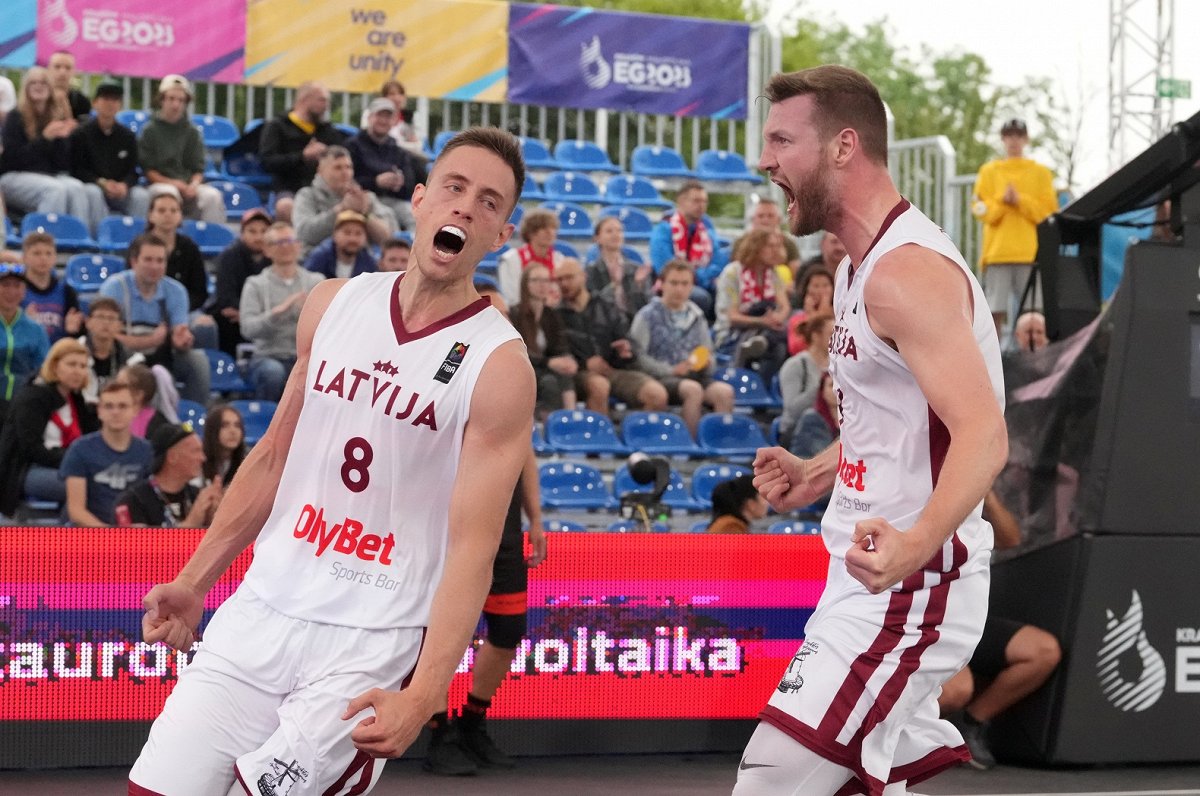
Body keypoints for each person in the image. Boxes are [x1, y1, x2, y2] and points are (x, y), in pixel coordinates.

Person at [129, 127, 535, 794]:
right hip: (265, 606)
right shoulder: (332, 304)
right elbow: (272, 456)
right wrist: (197, 579)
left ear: (503, 233)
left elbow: (473, 545)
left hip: (371, 638)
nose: (466, 207)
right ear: (422, 199)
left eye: (489, 202)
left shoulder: (500, 365)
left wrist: (428, 691)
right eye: (455, 189)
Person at [740, 65, 1007, 796]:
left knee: (769, 778)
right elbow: (897, 424)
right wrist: (815, 472)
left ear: (842, 147)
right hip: (868, 578)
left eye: (781, 140)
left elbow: (984, 436)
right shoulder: (859, 268)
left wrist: (916, 544)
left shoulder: (904, 274)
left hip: (910, 585)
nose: (765, 160)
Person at [425, 448, 546, 776]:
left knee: (509, 629)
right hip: (445, 531)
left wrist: (535, 518)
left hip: (503, 532)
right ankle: (440, 733)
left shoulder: (510, 397)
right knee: (439, 632)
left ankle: (471, 723)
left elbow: (524, 453)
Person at [935, 490, 1061, 771]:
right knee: (957, 689)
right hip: (932, 618)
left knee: (1043, 651)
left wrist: (986, 494)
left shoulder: (975, 490)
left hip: (972, 618)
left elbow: (1011, 539)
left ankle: (970, 724)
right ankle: (889, 737)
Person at [98, 233, 211, 404]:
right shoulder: (114, 288)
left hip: (162, 355)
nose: (155, 266)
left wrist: (181, 340)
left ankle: (195, 417)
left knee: (198, 360)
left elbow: (177, 333)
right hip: (122, 356)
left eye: (160, 261)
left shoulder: (176, 291)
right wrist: (150, 341)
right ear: (134, 261)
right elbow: (105, 337)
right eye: (148, 260)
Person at [972, 118, 1057, 340]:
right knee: (993, 311)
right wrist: (1003, 201)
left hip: (1029, 252)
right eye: (1009, 135)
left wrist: (1020, 200)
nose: (1013, 140)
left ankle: (1033, 359)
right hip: (997, 253)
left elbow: (1048, 213)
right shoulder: (989, 171)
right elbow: (979, 209)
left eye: (1018, 135)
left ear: (1026, 139)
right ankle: (994, 361)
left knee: (1033, 312)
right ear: (1002, 139)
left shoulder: (1040, 173)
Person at [628, 260, 734, 436]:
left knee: (724, 392)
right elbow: (638, 357)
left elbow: (708, 352)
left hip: (695, 374)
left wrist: (707, 363)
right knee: (693, 390)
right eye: (674, 283)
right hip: (661, 377)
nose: (679, 289)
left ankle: (718, 446)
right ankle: (689, 443)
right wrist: (671, 370)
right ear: (662, 284)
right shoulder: (647, 315)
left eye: (685, 284)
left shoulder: (697, 316)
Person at [555, 257, 667, 416]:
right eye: (559, 279)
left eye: (569, 277)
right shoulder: (554, 313)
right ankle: (598, 439)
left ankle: (632, 437)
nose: (564, 284)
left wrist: (626, 351)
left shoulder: (606, 306)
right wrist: (584, 364)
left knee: (656, 394)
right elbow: (555, 351)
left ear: (583, 276)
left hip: (611, 368)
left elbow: (627, 340)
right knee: (599, 386)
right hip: (577, 374)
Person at [0, 337, 97, 515]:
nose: (78, 371)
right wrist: (75, 461)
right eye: (72, 364)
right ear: (54, 365)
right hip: (29, 469)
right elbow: (31, 448)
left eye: (83, 366)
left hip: (67, 466)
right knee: (85, 487)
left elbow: (90, 438)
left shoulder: (76, 399)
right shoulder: (32, 398)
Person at [0, 67, 96, 228]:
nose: (38, 86)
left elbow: (61, 165)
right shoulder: (15, 117)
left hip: (47, 175)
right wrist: (45, 138)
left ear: (50, 88)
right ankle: (45, 240)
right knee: (54, 190)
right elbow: (12, 160)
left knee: (77, 188)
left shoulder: (54, 117)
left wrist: (64, 140)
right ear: (26, 88)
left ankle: (79, 240)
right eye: (33, 83)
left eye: (43, 83)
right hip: (12, 177)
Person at [241, 221, 325, 401]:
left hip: (306, 357)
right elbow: (247, 329)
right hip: (268, 356)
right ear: (267, 250)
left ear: (299, 245)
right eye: (278, 243)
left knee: (323, 374)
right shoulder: (255, 284)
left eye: (290, 241)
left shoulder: (316, 282)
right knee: (273, 372)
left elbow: (331, 325)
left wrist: (312, 316)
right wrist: (277, 313)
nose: (285, 247)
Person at [60, 379, 153, 526]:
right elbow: (76, 510)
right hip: (88, 536)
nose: (116, 412)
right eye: (109, 406)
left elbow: (151, 501)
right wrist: (110, 535)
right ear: (99, 411)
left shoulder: (147, 451)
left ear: (135, 410)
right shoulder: (80, 449)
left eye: (123, 406)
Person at [137, 74, 225, 224]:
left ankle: (212, 241)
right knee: (169, 195)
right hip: (159, 186)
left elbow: (198, 169)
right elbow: (149, 171)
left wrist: (194, 185)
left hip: (188, 185)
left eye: (181, 100)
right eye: (171, 98)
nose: (176, 104)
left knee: (212, 196)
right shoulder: (149, 131)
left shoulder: (192, 131)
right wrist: (173, 183)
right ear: (162, 100)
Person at [258, 81, 345, 223]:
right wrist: (302, 156)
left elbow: (343, 158)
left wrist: (327, 155)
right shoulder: (277, 126)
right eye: (322, 100)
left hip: (325, 190)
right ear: (304, 99)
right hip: (290, 188)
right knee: (285, 207)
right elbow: (267, 162)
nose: (326, 106)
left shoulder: (328, 131)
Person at [144, 185, 218, 350]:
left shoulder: (190, 247)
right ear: (150, 215)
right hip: (145, 309)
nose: (168, 215)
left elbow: (200, 292)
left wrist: (178, 310)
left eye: (173, 210)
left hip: (185, 310)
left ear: (180, 216)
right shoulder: (140, 246)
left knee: (205, 325)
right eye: (162, 210)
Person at [713, 228, 791, 382]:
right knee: (778, 344)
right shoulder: (732, 273)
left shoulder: (773, 273)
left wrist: (777, 319)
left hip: (766, 329)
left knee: (779, 345)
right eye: (770, 246)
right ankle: (763, 390)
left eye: (777, 246)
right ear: (756, 247)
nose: (776, 251)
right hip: (734, 332)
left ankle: (762, 387)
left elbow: (785, 306)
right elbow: (731, 317)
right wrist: (763, 321)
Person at [115, 422, 223, 527]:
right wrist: (191, 523)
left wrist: (212, 520)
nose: (203, 458)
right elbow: (135, 544)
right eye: (195, 451)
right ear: (172, 457)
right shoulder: (134, 501)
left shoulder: (196, 495)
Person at [71, 79, 150, 220]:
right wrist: (101, 182)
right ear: (95, 103)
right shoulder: (82, 133)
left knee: (141, 196)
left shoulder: (127, 136)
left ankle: (137, 238)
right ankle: (98, 237)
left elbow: (133, 170)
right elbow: (77, 168)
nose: (110, 103)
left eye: (114, 100)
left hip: (119, 189)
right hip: (93, 185)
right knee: (92, 193)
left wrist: (125, 185)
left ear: (120, 105)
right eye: (105, 99)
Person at [293, 146, 397, 252]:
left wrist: (365, 214)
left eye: (348, 167)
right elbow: (304, 233)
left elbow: (388, 239)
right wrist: (341, 210)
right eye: (338, 167)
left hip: (361, 260)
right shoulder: (307, 195)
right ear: (320, 171)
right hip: (316, 259)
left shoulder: (365, 197)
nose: (345, 172)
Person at [648, 179, 725, 310]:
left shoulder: (708, 234)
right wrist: (698, 276)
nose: (701, 206)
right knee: (701, 297)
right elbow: (665, 268)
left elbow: (717, 266)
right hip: (674, 285)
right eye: (696, 201)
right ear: (681, 202)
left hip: (703, 284)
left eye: (704, 201)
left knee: (725, 293)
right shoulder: (664, 231)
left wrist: (699, 276)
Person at [346, 98, 421, 230]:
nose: (383, 121)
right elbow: (347, 180)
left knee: (414, 217)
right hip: (365, 199)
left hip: (394, 200)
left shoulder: (397, 150)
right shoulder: (353, 146)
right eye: (379, 115)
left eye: (388, 117)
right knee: (388, 217)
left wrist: (399, 183)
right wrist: (376, 182)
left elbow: (410, 184)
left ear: (393, 122)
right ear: (369, 117)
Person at [510, 263, 576, 413]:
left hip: (546, 367)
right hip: (525, 368)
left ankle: (570, 421)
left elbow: (560, 345)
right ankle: (548, 426)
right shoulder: (515, 314)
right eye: (536, 280)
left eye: (546, 281)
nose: (542, 285)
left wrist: (567, 359)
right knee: (549, 382)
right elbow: (519, 353)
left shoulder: (551, 315)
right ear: (525, 284)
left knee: (565, 375)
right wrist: (549, 362)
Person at [212, 208, 272, 356]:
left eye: (264, 231)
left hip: (263, 316)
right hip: (235, 318)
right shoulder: (228, 257)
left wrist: (251, 316)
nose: (258, 237)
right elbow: (226, 298)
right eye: (252, 231)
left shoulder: (275, 257)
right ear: (242, 234)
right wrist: (249, 315)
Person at [0, 263, 50, 415]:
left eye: (17, 286)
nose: (11, 291)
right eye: (5, 285)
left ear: (24, 291)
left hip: (23, 405)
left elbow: (44, 369)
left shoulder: (35, 330)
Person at [777, 313, 833, 447]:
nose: (837, 339)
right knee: (811, 418)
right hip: (798, 430)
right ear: (815, 336)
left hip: (832, 428)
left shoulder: (838, 365)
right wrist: (820, 388)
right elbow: (792, 410)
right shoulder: (796, 365)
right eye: (832, 334)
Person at [20, 231, 82, 343]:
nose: (43, 258)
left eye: (48, 253)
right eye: (37, 253)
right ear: (24, 258)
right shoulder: (16, 290)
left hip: (58, 356)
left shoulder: (66, 291)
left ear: (55, 258)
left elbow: (76, 334)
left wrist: (72, 332)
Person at [78, 296, 141, 405]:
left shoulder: (131, 359)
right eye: (100, 317)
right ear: (88, 322)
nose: (106, 323)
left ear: (120, 326)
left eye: (111, 318)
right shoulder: (73, 351)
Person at [584, 215, 652, 316]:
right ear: (597, 238)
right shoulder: (590, 271)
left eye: (619, 231)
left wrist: (638, 285)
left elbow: (646, 306)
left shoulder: (636, 269)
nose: (616, 235)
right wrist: (614, 284)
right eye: (609, 231)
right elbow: (593, 306)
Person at [496, 208, 563, 307]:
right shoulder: (511, 259)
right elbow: (511, 297)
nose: (550, 232)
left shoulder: (559, 259)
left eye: (553, 228)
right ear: (531, 232)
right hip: (520, 315)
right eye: (544, 228)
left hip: (554, 313)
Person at [733, 198, 802, 285]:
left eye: (770, 216)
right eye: (761, 216)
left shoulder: (788, 243)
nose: (765, 220)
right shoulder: (741, 242)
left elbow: (796, 274)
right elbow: (736, 269)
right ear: (753, 219)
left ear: (779, 220)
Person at [304, 210, 378, 279]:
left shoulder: (369, 262)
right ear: (334, 234)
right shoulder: (319, 257)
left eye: (358, 233)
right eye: (347, 233)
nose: (352, 239)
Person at [358, 80, 425, 157]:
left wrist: (396, 145)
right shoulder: (370, 113)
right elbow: (367, 140)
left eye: (401, 94)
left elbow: (418, 146)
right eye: (392, 94)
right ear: (383, 97)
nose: (397, 98)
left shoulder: (410, 117)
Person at [788, 371, 841, 459]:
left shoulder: (852, 419)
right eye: (832, 385)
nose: (836, 390)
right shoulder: (811, 418)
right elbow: (822, 456)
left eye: (840, 386)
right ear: (822, 391)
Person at [116, 361, 173, 439]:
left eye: (121, 386)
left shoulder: (158, 425)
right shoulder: (111, 414)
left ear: (139, 395)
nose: (114, 389)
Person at [786, 266, 835, 355]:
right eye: (816, 286)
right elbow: (795, 348)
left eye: (825, 285)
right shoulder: (797, 319)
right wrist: (812, 318)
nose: (821, 291)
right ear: (807, 289)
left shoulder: (841, 315)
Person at [202, 403, 247, 487]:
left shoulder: (247, 463)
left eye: (237, 425)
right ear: (212, 430)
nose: (233, 431)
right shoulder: (199, 461)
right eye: (225, 426)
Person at [46, 50, 92, 119]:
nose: (62, 72)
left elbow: (82, 128)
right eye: (57, 67)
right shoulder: (38, 97)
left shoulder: (82, 101)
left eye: (68, 68)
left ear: (74, 71)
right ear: (49, 69)